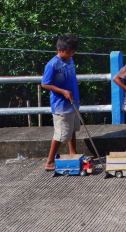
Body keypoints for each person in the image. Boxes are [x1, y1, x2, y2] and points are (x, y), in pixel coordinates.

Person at [43, 34, 81, 171]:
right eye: (68, 53)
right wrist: (63, 91)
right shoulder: (53, 64)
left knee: (72, 129)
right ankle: (49, 161)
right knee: (60, 134)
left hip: (73, 102)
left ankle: (73, 153)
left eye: (73, 53)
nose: (71, 55)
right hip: (61, 105)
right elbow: (45, 84)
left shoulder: (70, 60)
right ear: (60, 50)